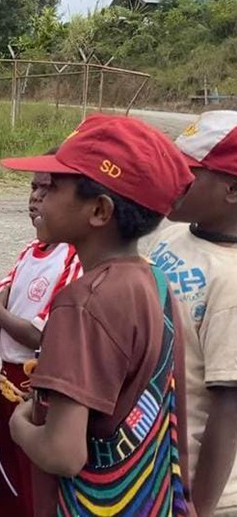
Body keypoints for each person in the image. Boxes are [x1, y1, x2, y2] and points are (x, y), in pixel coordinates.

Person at [3, 115, 194, 515]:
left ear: (99, 212)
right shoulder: (155, 284)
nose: (39, 197)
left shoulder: (82, 303)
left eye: (53, 188)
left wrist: (20, 425)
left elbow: (62, 453)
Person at [0, 154, 82, 516]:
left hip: (37, 393)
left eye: (47, 189)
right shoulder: (30, 252)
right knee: (6, 484)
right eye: (33, 187)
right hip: (5, 385)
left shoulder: (72, 258)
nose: (35, 197)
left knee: (35, 492)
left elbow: (34, 334)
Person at [149, 110, 237, 516]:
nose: (170, 179)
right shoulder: (172, 235)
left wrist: (198, 505)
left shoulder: (230, 279)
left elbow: (228, 404)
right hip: (152, 468)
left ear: (232, 190)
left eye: (186, 171)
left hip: (201, 492)